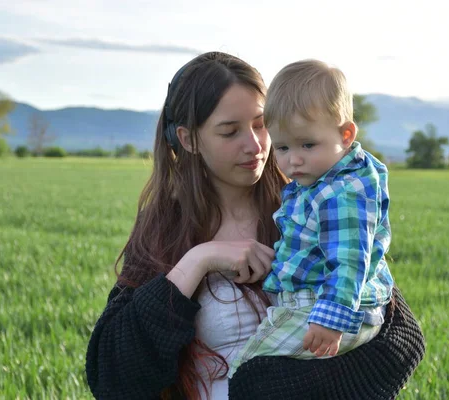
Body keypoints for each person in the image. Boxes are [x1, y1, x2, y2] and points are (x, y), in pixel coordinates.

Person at [85, 51, 425, 400]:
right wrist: (199, 260)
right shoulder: (166, 231)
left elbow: (402, 338)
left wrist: (276, 387)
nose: (255, 145)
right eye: (230, 132)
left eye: (261, 125)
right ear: (188, 140)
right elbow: (112, 376)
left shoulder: (308, 204)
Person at [229, 59, 393, 378]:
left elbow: (349, 260)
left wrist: (330, 319)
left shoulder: (339, 194)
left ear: (346, 135)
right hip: (323, 306)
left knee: (246, 371)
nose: (294, 160)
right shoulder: (323, 181)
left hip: (324, 308)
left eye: (307, 144)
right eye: (283, 147)